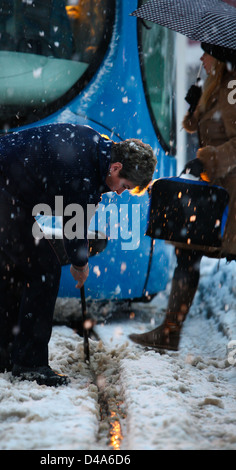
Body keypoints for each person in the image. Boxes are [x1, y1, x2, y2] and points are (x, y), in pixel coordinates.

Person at [0, 123, 157, 385]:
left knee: (13, 271)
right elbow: (73, 227)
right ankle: (30, 363)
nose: (121, 191)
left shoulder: (93, 147)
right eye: (125, 185)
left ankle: (8, 360)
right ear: (116, 167)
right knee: (44, 269)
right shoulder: (84, 169)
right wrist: (80, 264)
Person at [130, 42, 236, 352]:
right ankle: (170, 330)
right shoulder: (214, 85)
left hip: (230, 196)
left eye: (206, 53)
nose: (201, 57)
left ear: (220, 57)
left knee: (190, 254)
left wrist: (207, 160)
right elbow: (202, 128)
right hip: (215, 193)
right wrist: (195, 106)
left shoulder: (232, 90)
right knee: (187, 254)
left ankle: (170, 330)